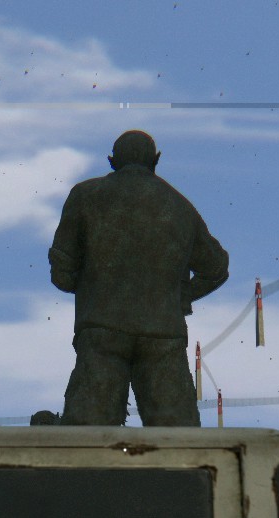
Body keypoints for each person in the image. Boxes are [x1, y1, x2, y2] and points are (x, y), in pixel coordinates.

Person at [48, 130, 229, 426]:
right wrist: (176, 296)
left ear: (112, 161)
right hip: (163, 334)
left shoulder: (85, 195)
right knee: (177, 438)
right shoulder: (180, 206)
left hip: (102, 330)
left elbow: (63, 274)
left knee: (89, 435)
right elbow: (216, 267)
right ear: (156, 161)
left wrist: (89, 284)